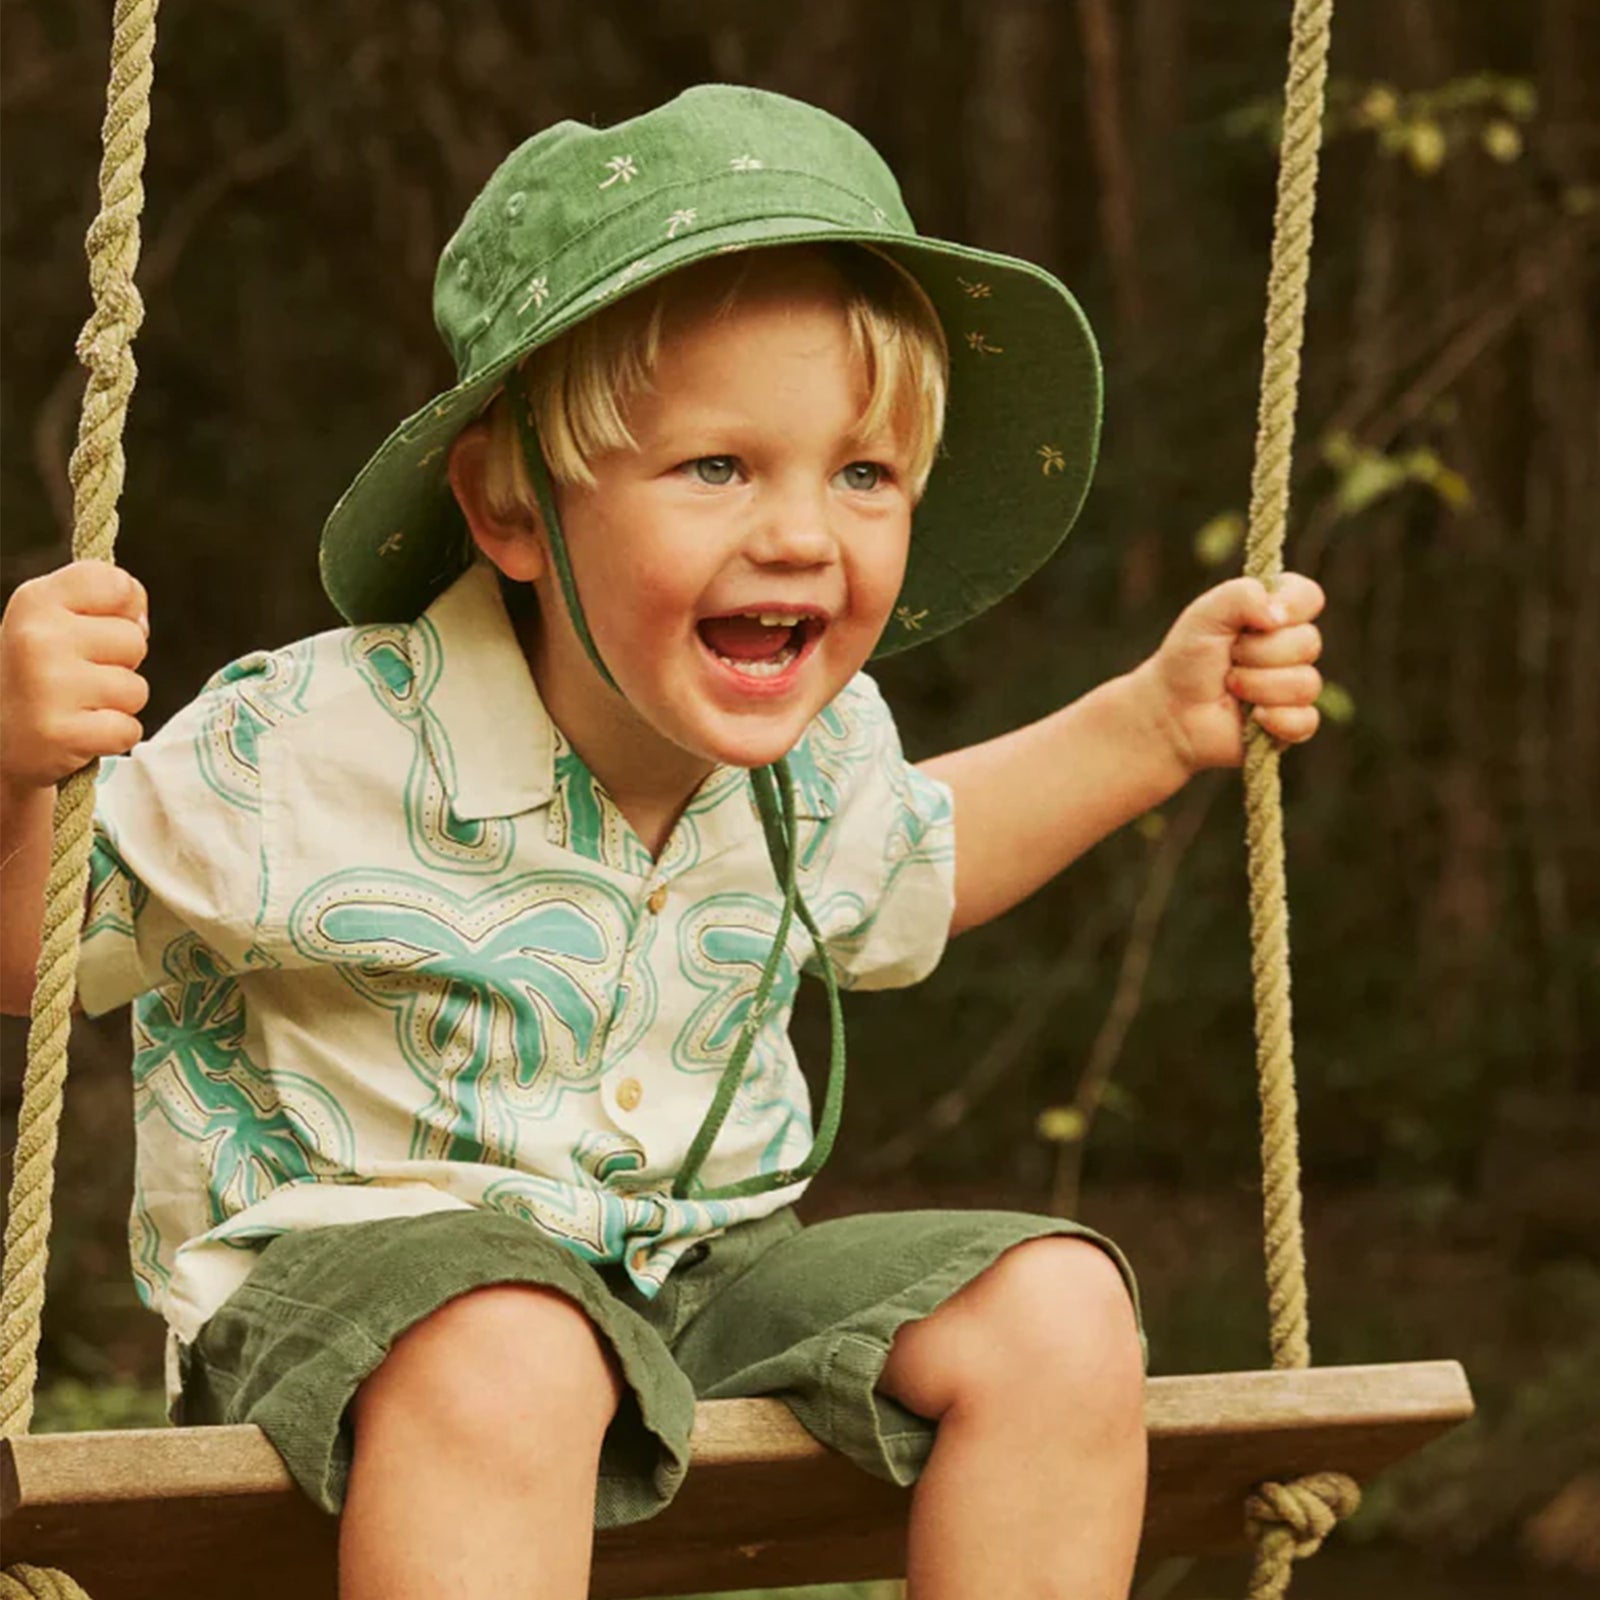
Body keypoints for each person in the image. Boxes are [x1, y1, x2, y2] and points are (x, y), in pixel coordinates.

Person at [0, 86, 1325, 1599]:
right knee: (517, 1339)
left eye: (864, 474)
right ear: (510, 503)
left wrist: (1151, 727)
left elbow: (927, 861)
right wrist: (15, 763)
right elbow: (28, 960)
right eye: (718, 468)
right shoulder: (305, 745)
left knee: (1060, 1307)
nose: (804, 536)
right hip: (355, 1309)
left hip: (701, 1282)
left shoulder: (819, 762)